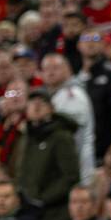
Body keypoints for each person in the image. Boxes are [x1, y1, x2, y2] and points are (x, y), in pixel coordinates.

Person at [17, 89, 81, 220]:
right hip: (28, 210)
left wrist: (43, 199)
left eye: (42, 103)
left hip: (54, 213)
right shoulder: (26, 136)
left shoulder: (61, 137)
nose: (36, 106)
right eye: (32, 103)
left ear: (52, 109)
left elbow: (71, 176)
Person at [41, 53, 95, 183]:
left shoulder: (72, 95)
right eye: (46, 69)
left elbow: (69, 136)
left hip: (77, 165)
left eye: (55, 68)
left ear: (68, 70)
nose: (51, 72)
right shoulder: (54, 96)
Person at [76, 27, 111, 160]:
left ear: (103, 45)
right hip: (79, 147)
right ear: (78, 45)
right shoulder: (74, 78)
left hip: (103, 148)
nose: (90, 42)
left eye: (96, 39)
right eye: (86, 39)